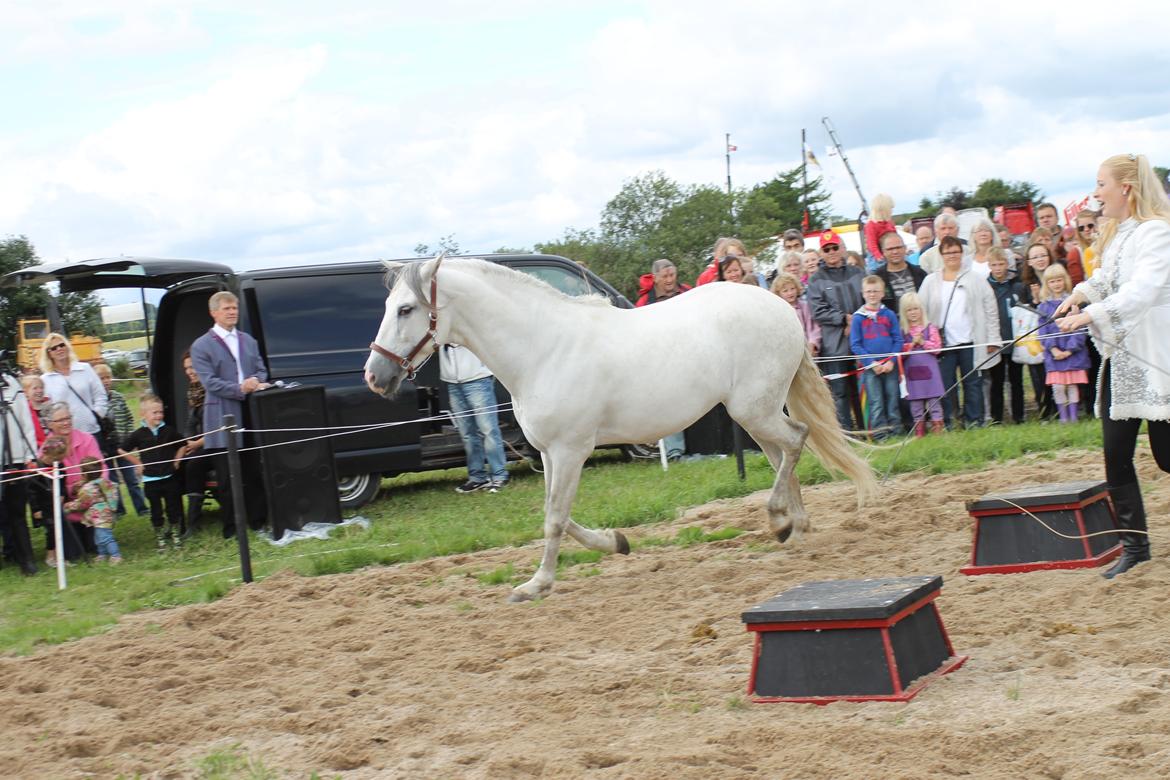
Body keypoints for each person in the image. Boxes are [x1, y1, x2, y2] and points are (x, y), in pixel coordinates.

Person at [1055, 153, 1170, 577]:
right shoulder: (1121, 234)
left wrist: (1092, 315)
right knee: (1115, 453)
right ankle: (1134, 549)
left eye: (1101, 183)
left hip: (1157, 357)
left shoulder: (1157, 232)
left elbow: (1141, 290)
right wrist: (1081, 293)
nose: (1096, 192)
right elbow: (1108, 277)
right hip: (1122, 361)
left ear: (1125, 188)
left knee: (1166, 457)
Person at [189, 290, 269, 538]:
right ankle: (232, 527)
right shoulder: (201, 345)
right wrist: (239, 389)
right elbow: (210, 382)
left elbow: (261, 370)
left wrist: (256, 380)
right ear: (214, 313)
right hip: (222, 415)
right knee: (226, 477)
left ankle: (258, 521)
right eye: (227, 308)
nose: (233, 312)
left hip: (250, 412)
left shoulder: (248, 340)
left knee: (253, 471)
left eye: (234, 308)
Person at [918, 235, 1000, 429]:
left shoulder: (975, 279)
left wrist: (992, 339)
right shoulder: (930, 281)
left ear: (962, 253)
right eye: (947, 252)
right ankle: (947, 422)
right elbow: (921, 310)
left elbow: (990, 308)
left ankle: (974, 421)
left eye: (955, 251)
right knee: (945, 385)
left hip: (971, 340)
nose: (952, 256)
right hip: (943, 344)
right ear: (941, 254)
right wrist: (924, 338)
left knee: (972, 383)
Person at [806, 229, 865, 431]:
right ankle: (846, 433)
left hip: (861, 340)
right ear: (821, 252)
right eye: (826, 249)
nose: (831, 251)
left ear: (841, 248)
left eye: (834, 247)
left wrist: (855, 321)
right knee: (839, 391)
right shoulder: (816, 280)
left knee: (863, 388)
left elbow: (870, 298)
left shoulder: (858, 272)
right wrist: (843, 319)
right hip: (835, 345)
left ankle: (868, 430)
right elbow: (818, 311)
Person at [39, 402, 106, 564]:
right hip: (66, 509)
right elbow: (46, 486)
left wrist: (87, 485)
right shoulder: (46, 449)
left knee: (95, 546)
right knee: (72, 554)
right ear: (49, 424)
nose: (66, 422)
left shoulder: (87, 439)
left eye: (68, 417)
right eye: (60, 420)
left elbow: (102, 469)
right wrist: (71, 489)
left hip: (91, 503)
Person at [440, 345, 510, 492]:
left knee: (488, 429)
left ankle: (499, 476)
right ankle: (477, 477)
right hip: (453, 383)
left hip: (477, 379)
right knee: (467, 434)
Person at [122, 394, 186, 550]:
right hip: (151, 480)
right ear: (143, 414)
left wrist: (177, 461)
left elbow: (182, 444)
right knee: (156, 511)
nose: (159, 415)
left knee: (173, 508)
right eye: (154, 412)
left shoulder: (169, 431)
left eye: (160, 412)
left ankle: (175, 534)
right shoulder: (138, 434)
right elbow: (121, 449)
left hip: (169, 477)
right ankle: (160, 537)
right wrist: (137, 463)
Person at [850, 276, 904, 440]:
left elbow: (898, 340)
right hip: (871, 369)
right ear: (863, 293)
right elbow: (856, 345)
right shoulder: (858, 317)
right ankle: (880, 435)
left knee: (892, 399)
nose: (872, 294)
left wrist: (891, 361)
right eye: (868, 291)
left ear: (882, 293)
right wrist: (871, 363)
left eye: (875, 291)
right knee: (876, 402)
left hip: (889, 366)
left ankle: (896, 432)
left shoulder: (889, 314)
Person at [93, 363, 149, 520]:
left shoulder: (118, 397)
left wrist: (130, 437)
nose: (105, 381)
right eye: (101, 378)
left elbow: (129, 418)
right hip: (106, 446)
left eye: (107, 377)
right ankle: (118, 510)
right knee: (112, 481)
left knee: (131, 478)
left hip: (122, 445)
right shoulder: (94, 402)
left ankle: (141, 508)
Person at [1035, 265, 1089, 424]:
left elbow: (1080, 328)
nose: (1056, 284)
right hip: (1054, 354)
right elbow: (1043, 331)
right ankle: (1063, 418)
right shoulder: (1043, 306)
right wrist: (1053, 349)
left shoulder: (1074, 304)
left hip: (1072, 353)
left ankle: (1073, 417)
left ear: (1065, 280)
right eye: (1052, 281)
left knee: (1072, 385)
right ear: (1047, 284)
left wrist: (1070, 350)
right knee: (1058, 387)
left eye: (1059, 280)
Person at [0, 371, 39, 575]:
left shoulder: (11, 384)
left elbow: (26, 422)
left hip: (15, 459)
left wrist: (29, 455)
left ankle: (27, 561)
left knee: (17, 513)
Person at [39, 334, 108, 443]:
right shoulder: (45, 379)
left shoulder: (85, 368)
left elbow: (100, 394)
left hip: (92, 431)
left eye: (62, 345)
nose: (59, 349)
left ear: (67, 347)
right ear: (49, 353)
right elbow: (46, 410)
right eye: (54, 348)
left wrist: (97, 414)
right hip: (66, 436)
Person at [985, 249, 1026, 425]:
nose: (998, 268)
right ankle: (997, 418)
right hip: (997, 340)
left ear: (1007, 264)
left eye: (1001, 264)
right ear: (989, 266)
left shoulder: (1017, 286)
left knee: (1017, 380)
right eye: (994, 265)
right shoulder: (986, 287)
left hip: (1015, 338)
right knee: (997, 381)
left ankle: (1019, 416)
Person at [1019, 242, 1058, 420]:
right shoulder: (1025, 285)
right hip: (1036, 336)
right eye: (1035, 257)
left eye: (1043, 255)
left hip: (1057, 333)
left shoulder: (1058, 276)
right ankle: (1044, 412)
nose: (1040, 259)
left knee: (1058, 374)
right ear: (1029, 261)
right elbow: (1025, 312)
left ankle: (1061, 410)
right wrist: (1035, 300)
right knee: (1038, 375)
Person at [898, 292, 945, 436]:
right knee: (916, 406)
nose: (913, 313)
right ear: (904, 312)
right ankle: (919, 432)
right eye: (909, 310)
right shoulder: (902, 331)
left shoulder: (930, 327)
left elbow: (937, 348)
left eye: (915, 309)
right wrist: (911, 344)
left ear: (921, 309)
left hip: (930, 375)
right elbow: (899, 352)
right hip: (912, 375)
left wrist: (923, 342)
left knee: (934, 403)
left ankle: (938, 429)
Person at [176, 350, 211, 538]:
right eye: (186, 368)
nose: (190, 371)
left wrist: (197, 444)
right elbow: (189, 424)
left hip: (215, 443)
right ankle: (178, 521)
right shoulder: (193, 393)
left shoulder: (212, 389)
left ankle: (193, 523)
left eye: (192, 367)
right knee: (176, 463)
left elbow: (218, 427)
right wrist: (187, 443)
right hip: (200, 443)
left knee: (194, 465)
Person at [62, 456, 121, 565]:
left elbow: (82, 504)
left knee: (106, 537)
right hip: (107, 514)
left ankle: (116, 555)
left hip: (100, 517)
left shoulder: (87, 489)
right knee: (98, 537)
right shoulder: (104, 482)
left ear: (84, 474)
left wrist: (69, 506)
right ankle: (102, 554)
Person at [873, 231, 927, 312]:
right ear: (883, 252)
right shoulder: (877, 278)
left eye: (898, 247)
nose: (895, 252)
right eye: (890, 249)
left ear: (905, 248)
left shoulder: (920, 273)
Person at [770, 272, 820, 355]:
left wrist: (813, 343)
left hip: (808, 350)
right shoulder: (778, 311)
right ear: (778, 293)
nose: (790, 293)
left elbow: (813, 327)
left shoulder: (805, 306)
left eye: (792, 288)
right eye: (785, 291)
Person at [864, 193, 898, 269]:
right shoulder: (871, 225)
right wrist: (878, 256)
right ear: (884, 209)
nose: (892, 211)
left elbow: (896, 237)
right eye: (891, 208)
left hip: (890, 252)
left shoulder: (890, 223)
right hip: (878, 256)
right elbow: (871, 243)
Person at [19, 374, 49, 446]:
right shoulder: (24, 411)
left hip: (57, 449)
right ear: (26, 392)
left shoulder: (50, 405)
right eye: (35, 388)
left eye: (41, 388)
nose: (39, 391)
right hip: (37, 450)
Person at [1074, 209, 1100, 278]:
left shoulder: (1106, 244)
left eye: (1090, 225)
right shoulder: (1077, 252)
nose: (1086, 229)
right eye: (1081, 228)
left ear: (1097, 225)